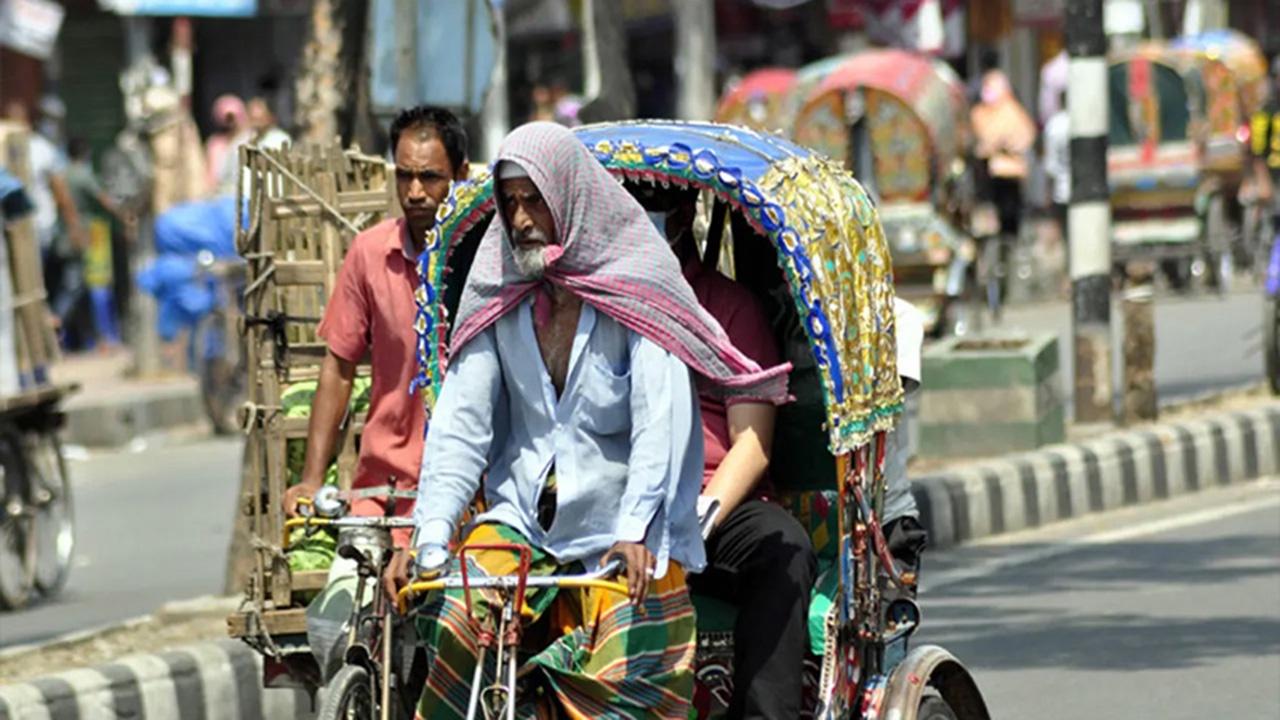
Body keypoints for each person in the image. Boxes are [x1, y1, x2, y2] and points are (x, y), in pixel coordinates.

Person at [389, 122, 791, 719]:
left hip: (620, 525)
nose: (522, 218)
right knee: (451, 617)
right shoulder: (498, 289)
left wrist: (637, 526)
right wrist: (430, 533)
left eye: (535, 201)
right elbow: (461, 426)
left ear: (570, 199)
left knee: (621, 676)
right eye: (512, 202)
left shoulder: (638, 287)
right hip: (521, 518)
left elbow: (661, 419)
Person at [279, 105, 470, 677]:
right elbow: (337, 371)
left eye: (429, 177)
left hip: (464, 492)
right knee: (334, 626)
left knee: (454, 638)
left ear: (459, 175)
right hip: (381, 490)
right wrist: (311, 481)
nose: (414, 191)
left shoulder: (486, 256)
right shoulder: (369, 254)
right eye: (404, 175)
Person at [639, 187, 816, 720]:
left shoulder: (729, 308)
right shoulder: (591, 305)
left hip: (713, 505)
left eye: (655, 202)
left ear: (684, 213)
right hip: (622, 502)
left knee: (782, 548)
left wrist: (699, 516)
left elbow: (753, 441)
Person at [3, 99, 87, 334]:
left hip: (39, 229)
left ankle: (44, 332)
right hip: (12, 230)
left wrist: (74, 226)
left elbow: (61, 193)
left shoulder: (42, 150)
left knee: (34, 286)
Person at [65, 137, 132, 353]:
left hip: (71, 235)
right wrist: (124, 216)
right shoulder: (83, 176)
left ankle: (88, 339)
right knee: (99, 285)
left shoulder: (64, 174)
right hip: (92, 233)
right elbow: (104, 199)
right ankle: (107, 336)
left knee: (77, 285)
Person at [205, 94, 251, 196]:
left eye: (232, 118)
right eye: (226, 118)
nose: (230, 123)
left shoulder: (248, 140)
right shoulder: (214, 143)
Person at [1042, 90, 1071, 243]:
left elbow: (1050, 164)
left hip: (1061, 190)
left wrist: (1047, 194)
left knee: (1066, 235)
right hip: (1083, 189)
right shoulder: (1084, 122)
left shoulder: (1054, 125)